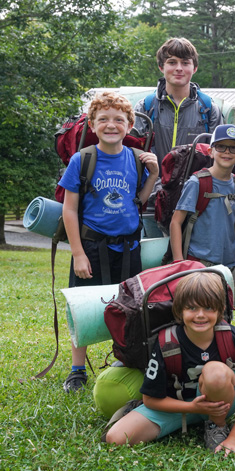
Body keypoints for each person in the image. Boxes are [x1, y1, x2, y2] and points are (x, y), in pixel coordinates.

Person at [59, 91, 159, 392]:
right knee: (82, 307)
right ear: (92, 124)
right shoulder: (83, 159)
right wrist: (78, 253)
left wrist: (153, 175)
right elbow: (69, 209)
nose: (111, 125)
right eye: (103, 119)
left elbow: (138, 201)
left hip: (128, 248)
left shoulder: (136, 159)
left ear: (129, 125)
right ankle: (77, 369)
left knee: (130, 309)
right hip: (91, 247)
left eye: (119, 119)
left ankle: (126, 363)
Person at [104, 272, 235, 454]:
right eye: (192, 308)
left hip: (222, 406)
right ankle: (192, 419)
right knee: (116, 438)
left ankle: (217, 426)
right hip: (181, 405)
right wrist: (192, 407)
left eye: (208, 308)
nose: (200, 315)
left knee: (215, 373)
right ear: (179, 310)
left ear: (220, 309)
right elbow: (150, 399)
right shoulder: (167, 342)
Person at [169, 124, 235, 305]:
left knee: (225, 312)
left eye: (233, 148)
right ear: (211, 152)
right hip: (198, 264)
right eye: (221, 146)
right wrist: (179, 263)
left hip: (228, 266)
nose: (227, 152)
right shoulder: (197, 182)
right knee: (199, 311)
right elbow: (176, 222)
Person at [133, 37, 223, 168]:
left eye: (185, 63)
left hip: (196, 181)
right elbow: (134, 152)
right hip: (152, 180)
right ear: (161, 67)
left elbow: (219, 155)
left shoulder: (209, 109)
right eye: (172, 62)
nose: (179, 68)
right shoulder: (145, 107)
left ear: (195, 68)